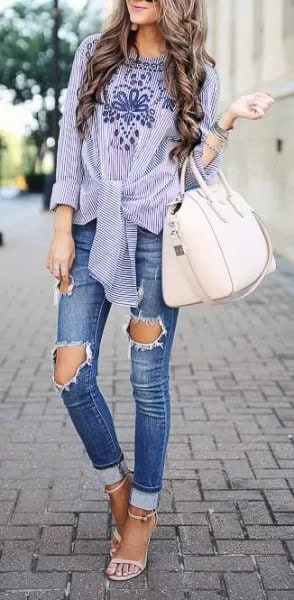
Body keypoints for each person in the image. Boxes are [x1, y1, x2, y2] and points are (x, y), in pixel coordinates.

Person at [45, 0, 274, 582]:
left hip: (156, 234)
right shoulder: (92, 57)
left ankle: (143, 511)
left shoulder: (196, 70)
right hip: (92, 223)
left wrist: (226, 122)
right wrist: (60, 228)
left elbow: (196, 169)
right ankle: (118, 489)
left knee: (148, 379)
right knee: (71, 369)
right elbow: (70, 147)